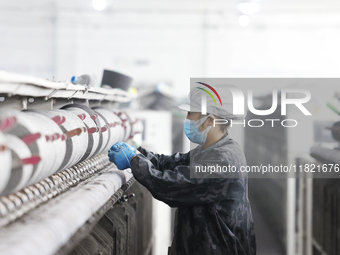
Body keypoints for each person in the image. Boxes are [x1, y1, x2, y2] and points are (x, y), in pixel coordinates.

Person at [108, 86, 256, 255]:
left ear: (210, 119)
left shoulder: (224, 160)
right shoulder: (210, 150)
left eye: (191, 114)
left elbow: (171, 184)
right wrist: (139, 153)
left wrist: (134, 161)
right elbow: (170, 163)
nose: (187, 119)